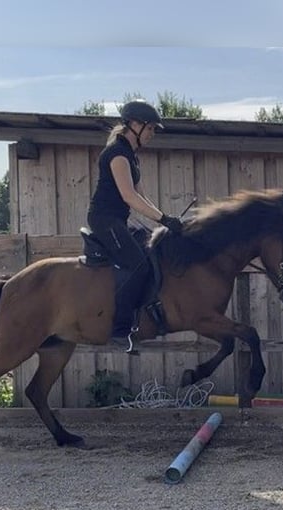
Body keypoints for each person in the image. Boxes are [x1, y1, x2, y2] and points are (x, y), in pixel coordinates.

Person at [86, 100, 183, 343]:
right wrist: (163, 218)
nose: (152, 134)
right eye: (150, 128)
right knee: (138, 265)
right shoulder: (117, 154)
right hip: (104, 220)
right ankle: (119, 329)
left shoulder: (131, 156)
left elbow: (141, 196)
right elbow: (128, 196)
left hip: (118, 220)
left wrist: (163, 221)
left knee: (152, 250)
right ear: (135, 125)